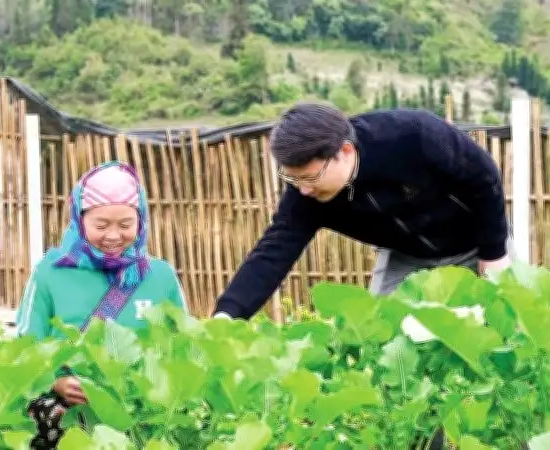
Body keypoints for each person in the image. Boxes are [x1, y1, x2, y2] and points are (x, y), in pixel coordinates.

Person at [212, 102, 512, 321]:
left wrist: (494, 253)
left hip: (478, 242)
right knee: (382, 336)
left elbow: (483, 177)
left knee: (506, 323)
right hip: (409, 258)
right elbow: (273, 251)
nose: (303, 189)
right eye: (293, 179)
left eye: (310, 177)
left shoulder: (413, 136)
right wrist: (227, 315)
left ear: (344, 152)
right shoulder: (307, 196)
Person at [14, 161, 188, 450]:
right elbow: (25, 342)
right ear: (79, 220)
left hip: (141, 412)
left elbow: (183, 344)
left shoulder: (160, 276)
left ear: (141, 220)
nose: (113, 236)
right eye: (101, 225)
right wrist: (55, 383)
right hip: (68, 416)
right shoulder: (51, 271)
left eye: (125, 225)